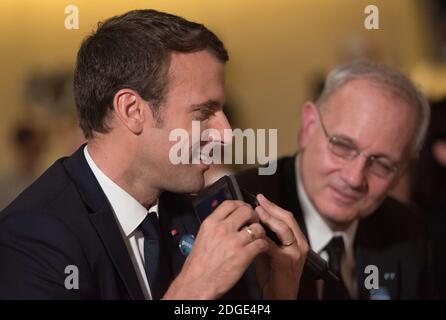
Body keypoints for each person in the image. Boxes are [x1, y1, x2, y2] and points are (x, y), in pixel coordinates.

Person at [0, 9, 308, 299]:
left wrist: (274, 297)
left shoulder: (197, 215)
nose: (226, 134)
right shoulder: (31, 237)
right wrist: (192, 291)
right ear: (132, 110)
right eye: (203, 112)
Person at [237, 61, 434, 299]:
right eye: (342, 146)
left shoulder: (408, 233)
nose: (354, 178)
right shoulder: (237, 210)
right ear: (309, 126)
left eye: (381, 164)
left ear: (403, 170)